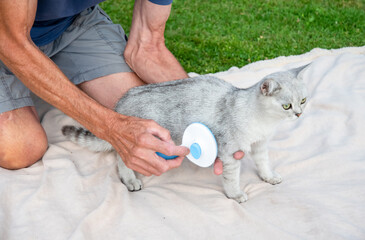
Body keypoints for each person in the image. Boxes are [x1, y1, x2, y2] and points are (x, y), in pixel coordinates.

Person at [0, 0, 243, 176]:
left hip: (70, 25)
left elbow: (147, 45)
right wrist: (112, 128)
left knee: (148, 116)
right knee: (21, 148)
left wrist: (216, 119)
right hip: (7, 37)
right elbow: (11, 42)